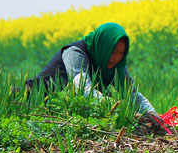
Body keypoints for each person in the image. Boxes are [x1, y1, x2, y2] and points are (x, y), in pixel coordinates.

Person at [24, 22, 168, 134]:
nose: (116, 57)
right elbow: (84, 90)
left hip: (70, 112)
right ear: (103, 46)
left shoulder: (117, 67)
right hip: (38, 102)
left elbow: (132, 94)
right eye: (113, 51)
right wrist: (126, 112)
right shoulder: (75, 53)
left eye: (120, 53)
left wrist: (151, 113)